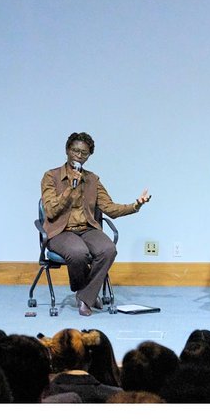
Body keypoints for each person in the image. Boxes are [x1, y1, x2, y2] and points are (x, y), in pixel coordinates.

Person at [41, 132, 151, 317]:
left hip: (87, 229)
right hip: (60, 231)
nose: (79, 155)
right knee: (78, 252)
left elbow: (110, 208)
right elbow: (51, 211)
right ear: (67, 150)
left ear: (89, 156)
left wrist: (135, 205)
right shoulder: (51, 176)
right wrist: (71, 188)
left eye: (84, 153)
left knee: (108, 249)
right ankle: (87, 294)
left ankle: (84, 296)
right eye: (75, 150)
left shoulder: (92, 180)